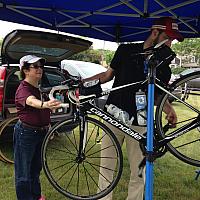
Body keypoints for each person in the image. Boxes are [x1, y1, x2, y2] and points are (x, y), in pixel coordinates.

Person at [83, 17, 184, 200]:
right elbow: (107, 75)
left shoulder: (164, 65)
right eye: (168, 37)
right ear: (155, 33)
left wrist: (169, 109)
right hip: (112, 116)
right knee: (106, 166)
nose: (170, 43)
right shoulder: (126, 50)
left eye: (173, 39)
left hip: (140, 123)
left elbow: (157, 96)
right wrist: (82, 83)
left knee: (139, 171)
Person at [14, 55, 61, 200]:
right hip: (26, 134)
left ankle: (36, 196)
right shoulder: (23, 88)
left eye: (41, 66)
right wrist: (45, 104)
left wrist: (49, 126)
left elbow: (44, 110)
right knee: (24, 172)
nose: (40, 69)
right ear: (26, 70)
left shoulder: (38, 88)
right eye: (35, 67)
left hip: (40, 133)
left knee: (35, 168)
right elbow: (31, 101)